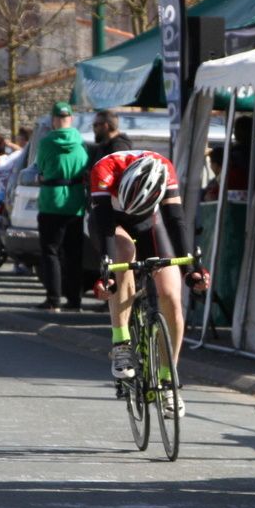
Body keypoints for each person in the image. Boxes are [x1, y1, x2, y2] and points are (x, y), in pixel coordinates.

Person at [88, 148, 210, 407]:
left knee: (170, 295)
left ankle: (168, 380)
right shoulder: (104, 169)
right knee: (124, 254)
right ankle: (121, 344)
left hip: (148, 221)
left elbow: (176, 221)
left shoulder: (165, 170)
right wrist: (107, 272)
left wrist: (192, 269)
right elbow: (105, 227)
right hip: (110, 222)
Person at [34, 102, 89, 310]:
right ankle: (75, 301)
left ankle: (53, 299)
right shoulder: (81, 143)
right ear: (71, 119)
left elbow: (42, 168)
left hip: (51, 202)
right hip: (75, 203)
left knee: (50, 252)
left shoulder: (47, 142)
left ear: (54, 120)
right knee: (74, 254)